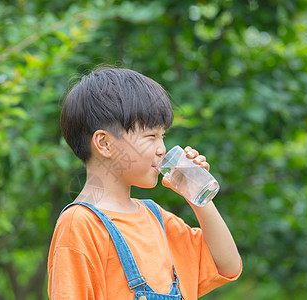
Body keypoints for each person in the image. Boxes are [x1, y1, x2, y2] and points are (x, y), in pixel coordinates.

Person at [47, 67, 241, 299]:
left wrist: (198, 196)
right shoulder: (79, 225)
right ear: (105, 143)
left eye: (163, 136)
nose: (162, 149)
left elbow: (227, 266)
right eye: (151, 137)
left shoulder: (156, 217)